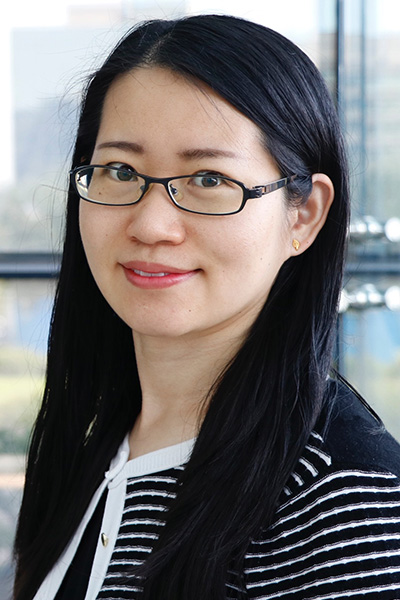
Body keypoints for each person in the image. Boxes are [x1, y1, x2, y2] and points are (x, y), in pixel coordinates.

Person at [13, 13, 400, 600]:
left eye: (209, 180)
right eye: (121, 170)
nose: (151, 224)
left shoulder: (346, 500)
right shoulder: (95, 437)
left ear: (304, 214)